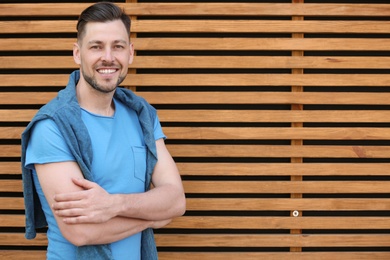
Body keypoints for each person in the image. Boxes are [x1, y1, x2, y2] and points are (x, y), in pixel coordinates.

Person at [21, 2, 186, 259]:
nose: (108, 57)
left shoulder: (142, 115)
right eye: (96, 46)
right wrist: (152, 217)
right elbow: (81, 232)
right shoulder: (52, 127)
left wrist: (114, 205)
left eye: (117, 46)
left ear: (130, 53)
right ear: (78, 54)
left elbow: (176, 200)